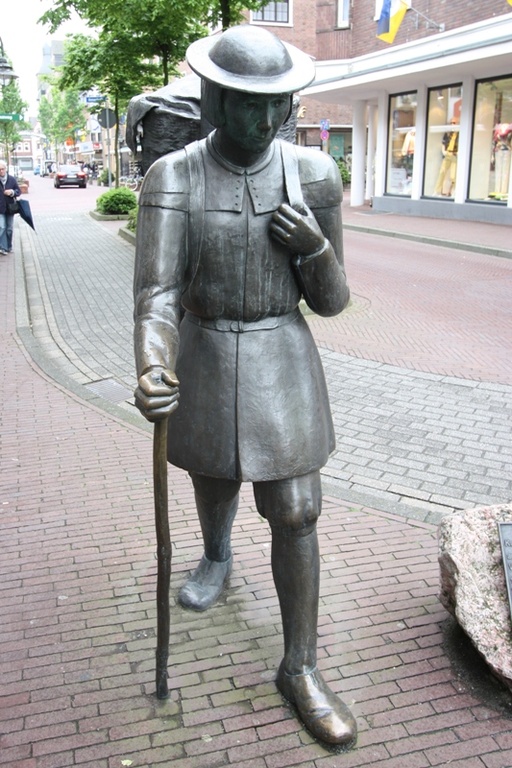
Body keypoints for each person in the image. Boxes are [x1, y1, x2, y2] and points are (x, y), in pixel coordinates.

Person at [133, 25, 356, 746]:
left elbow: (332, 302)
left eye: (276, 105)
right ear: (214, 101)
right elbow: (158, 295)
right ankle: (218, 554)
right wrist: (152, 362)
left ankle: (301, 667)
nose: (264, 121)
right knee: (214, 472)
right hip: (205, 347)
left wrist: (314, 249)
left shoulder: (314, 174)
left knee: (296, 510)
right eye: (247, 105)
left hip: (281, 353)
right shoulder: (174, 177)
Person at [433, 117, 459, 196]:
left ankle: (454, 191)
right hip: (447, 154)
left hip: (454, 155)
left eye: (454, 123)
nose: (452, 125)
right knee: (442, 172)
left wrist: (458, 152)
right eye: (451, 123)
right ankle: (437, 191)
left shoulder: (459, 133)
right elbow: (443, 143)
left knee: (453, 175)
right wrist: (444, 151)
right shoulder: (448, 133)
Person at [0, 161, 21, 254]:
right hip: (0, 208)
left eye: (2, 169)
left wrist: (12, 192)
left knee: (9, 229)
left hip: (10, 208)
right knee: (2, 227)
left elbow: (18, 191)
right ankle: (3, 247)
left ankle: (9, 246)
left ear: (6, 169)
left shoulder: (11, 179)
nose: (1, 171)